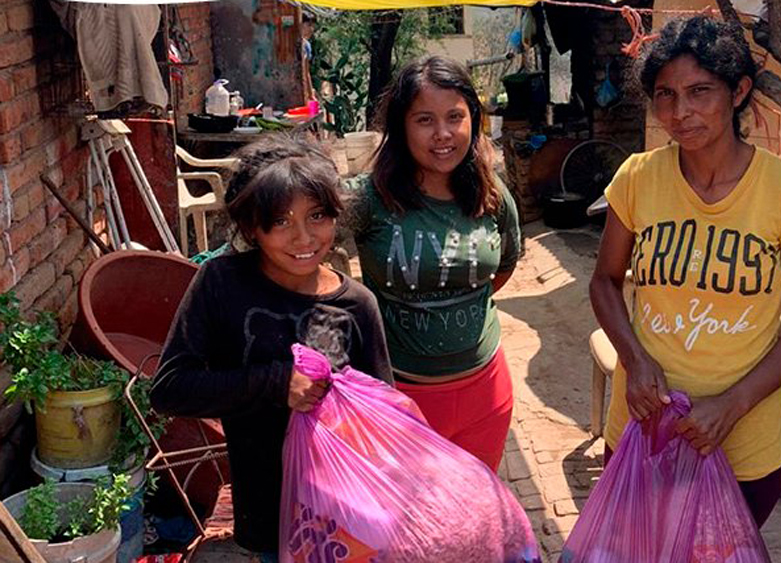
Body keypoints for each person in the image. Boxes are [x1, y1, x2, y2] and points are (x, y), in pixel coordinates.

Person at [589, 16, 781, 528]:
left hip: (742, 446)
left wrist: (732, 404)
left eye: (700, 91)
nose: (681, 112)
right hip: (643, 432)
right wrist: (634, 360)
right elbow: (605, 281)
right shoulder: (636, 178)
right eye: (665, 95)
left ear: (738, 90)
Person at [150, 136, 393, 560]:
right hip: (265, 520)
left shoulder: (356, 306)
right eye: (281, 221)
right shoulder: (221, 284)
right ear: (251, 227)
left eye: (317, 216)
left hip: (343, 517)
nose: (304, 237)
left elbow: (383, 422)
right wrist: (276, 382)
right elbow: (169, 389)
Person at [340, 55, 521, 472]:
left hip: (486, 394)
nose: (443, 134)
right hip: (402, 397)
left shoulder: (492, 196)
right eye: (424, 120)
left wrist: (447, 295)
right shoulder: (371, 200)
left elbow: (505, 265)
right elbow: (303, 237)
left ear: (473, 120)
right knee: (411, 527)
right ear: (401, 128)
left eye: (455, 117)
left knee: (471, 520)